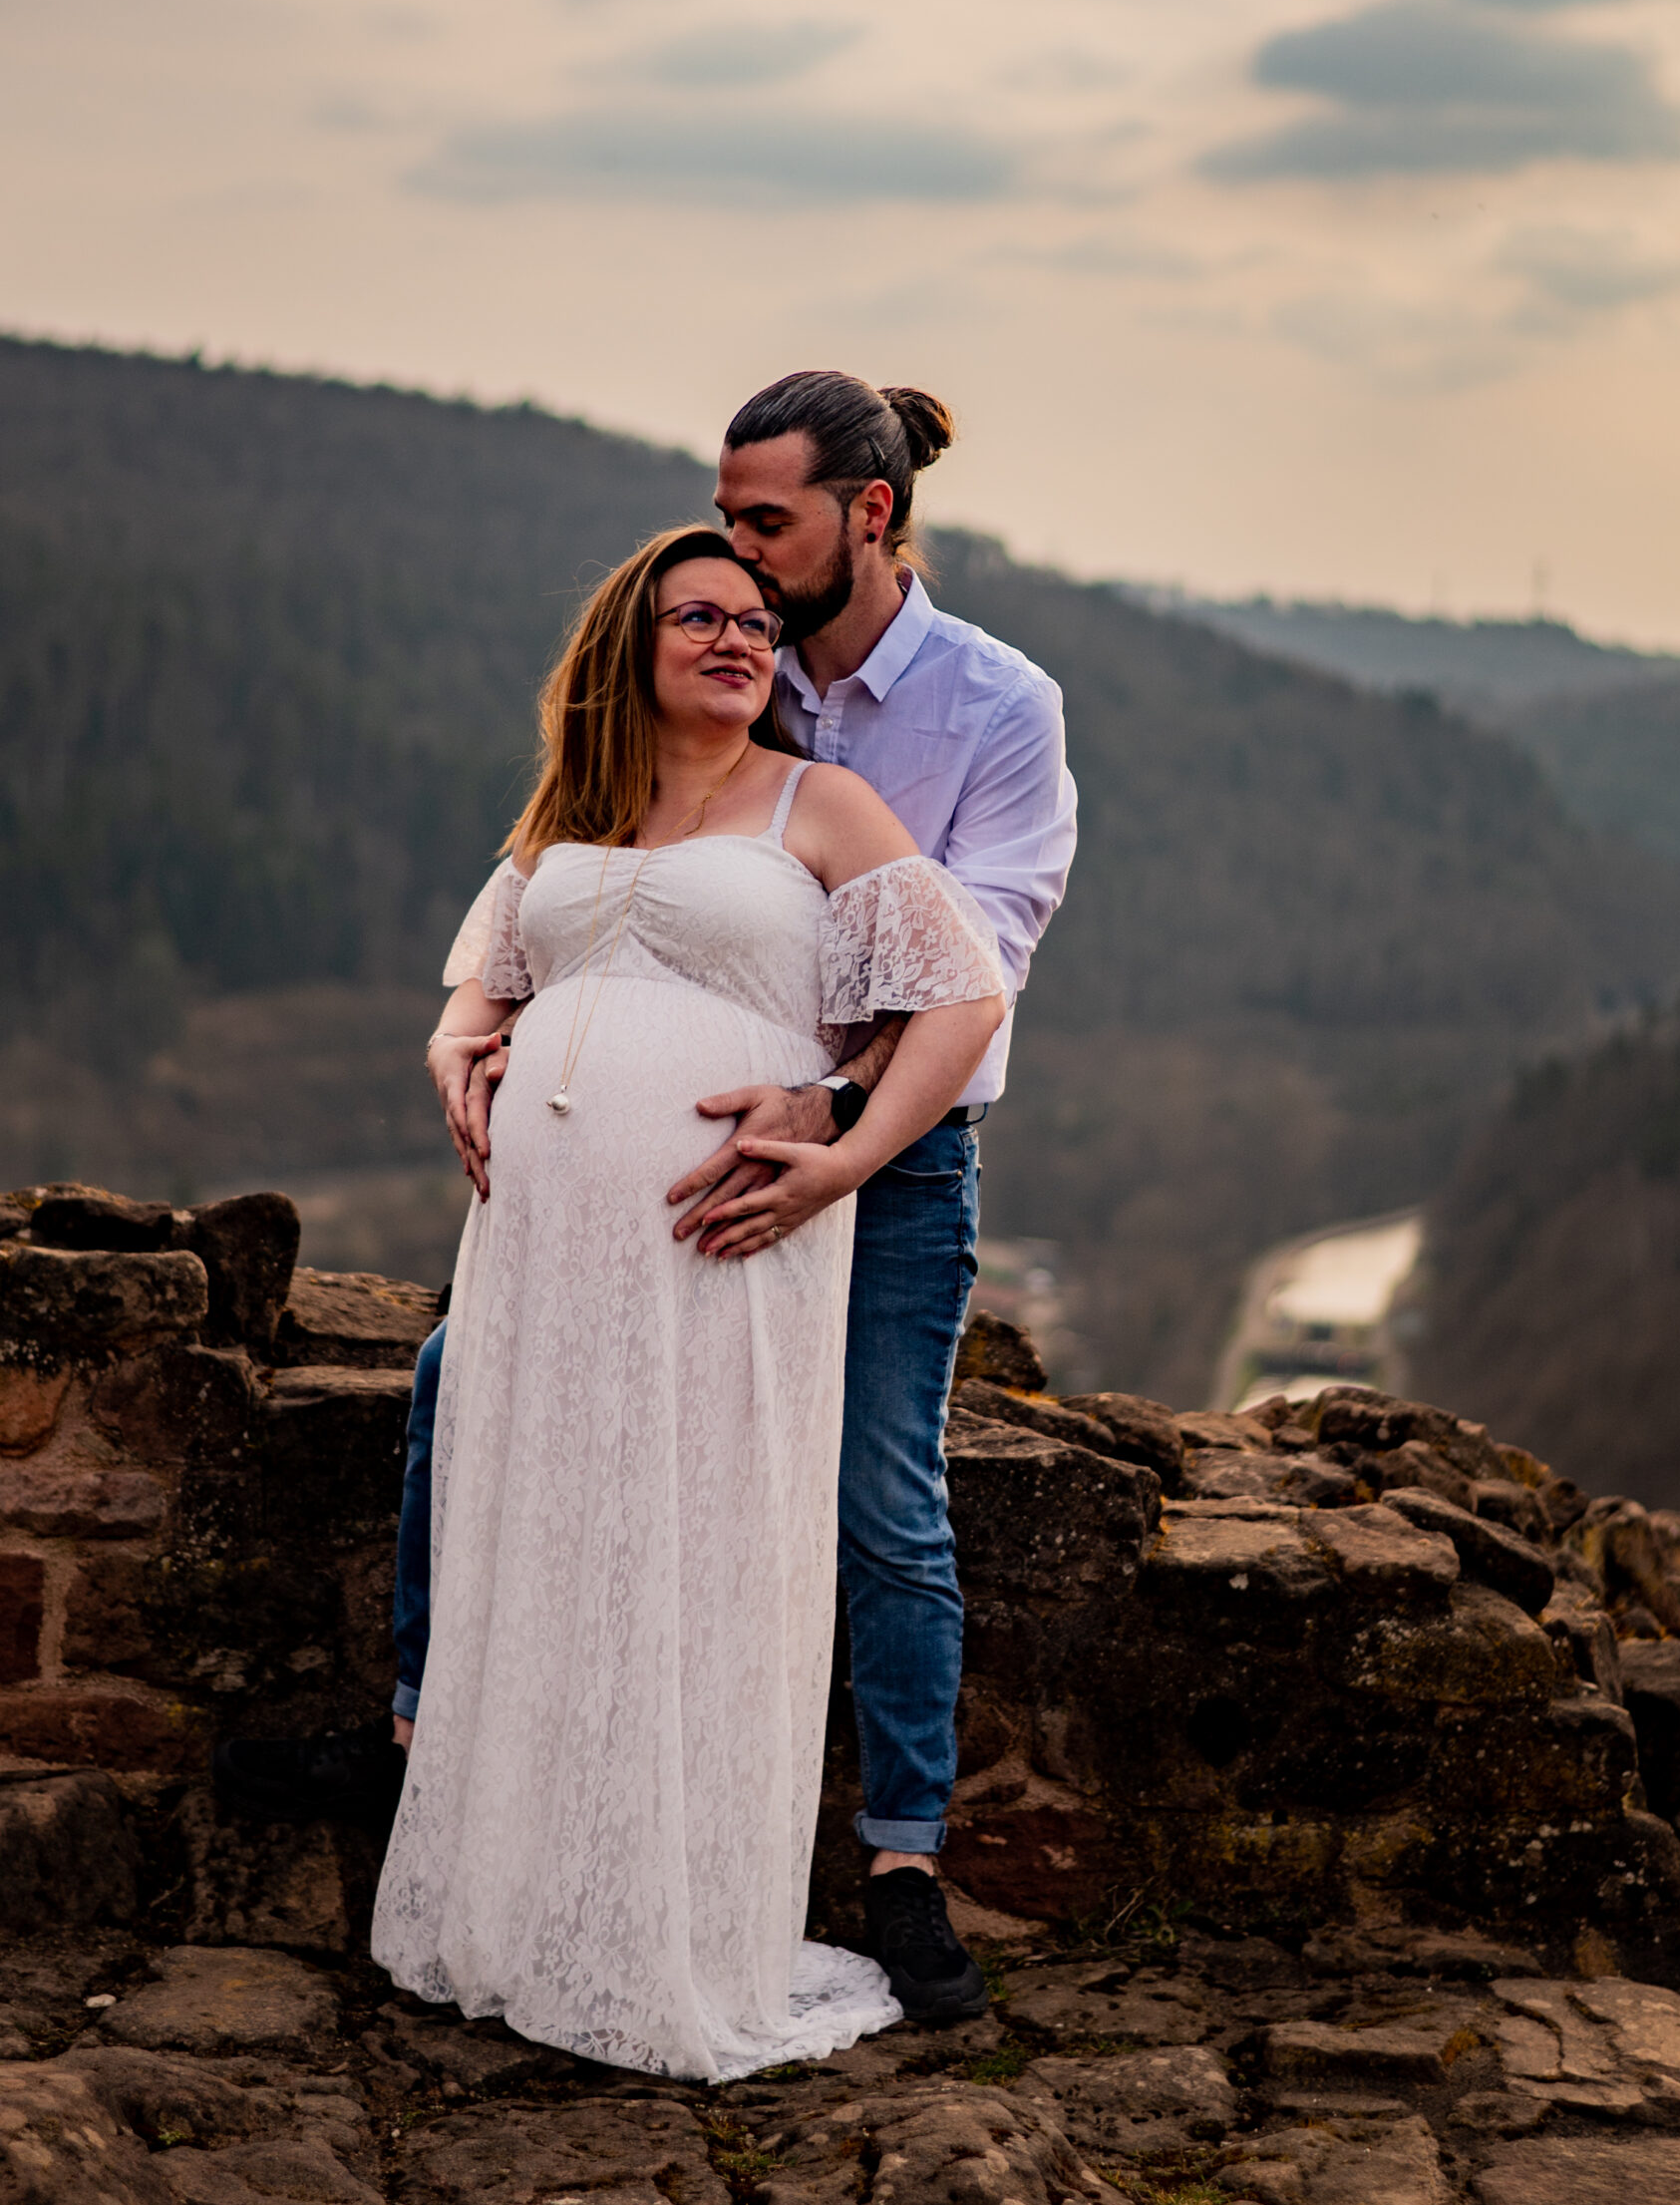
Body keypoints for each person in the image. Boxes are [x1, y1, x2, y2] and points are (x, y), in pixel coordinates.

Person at [219, 373, 1076, 2026]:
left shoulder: (984, 709)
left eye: (765, 532)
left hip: (872, 1158)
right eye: (721, 549)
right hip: (599, 1211)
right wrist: (469, 1025)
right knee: (466, 1401)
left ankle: (899, 1862)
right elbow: (534, 912)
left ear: (869, 516)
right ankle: (436, 1746)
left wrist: (831, 1127)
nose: (742, 569)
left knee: (876, 1495)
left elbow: (976, 969)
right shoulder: (664, 727)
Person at [369, 524, 1006, 2081]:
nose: (734, 640)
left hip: (727, 1236)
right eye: (696, 618)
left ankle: (676, 1926)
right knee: (546, 1523)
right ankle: (524, 1903)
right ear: (630, 645)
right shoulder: (575, 812)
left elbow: (967, 998)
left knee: (700, 1537)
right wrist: (462, 1048)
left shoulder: (822, 802)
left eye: (751, 621)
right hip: (548, 1251)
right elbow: (486, 971)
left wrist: (844, 1159)